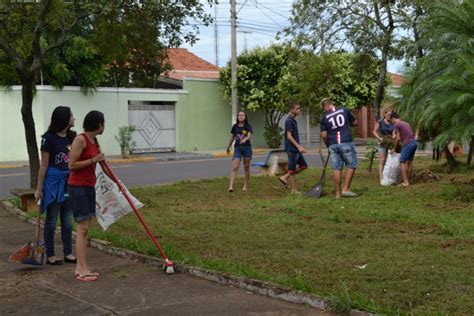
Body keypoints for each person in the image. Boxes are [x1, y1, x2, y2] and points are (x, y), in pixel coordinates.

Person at [34, 106, 77, 266]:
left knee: (67, 220)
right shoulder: (48, 138)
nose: (74, 118)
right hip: (53, 183)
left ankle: (68, 252)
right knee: (51, 220)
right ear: (64, 119)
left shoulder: (73, 137)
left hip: (69, 182)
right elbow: (44, 165)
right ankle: (50, 254)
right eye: (72, 116)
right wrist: (39, 189)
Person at [68, 111, 106, 282]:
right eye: (103, 123)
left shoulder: (94, 141)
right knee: (82, 229)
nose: (104, 127)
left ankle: (82, 267)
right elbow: (72, 165)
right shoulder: (80, 139)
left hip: (89, 186)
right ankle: (81, 269)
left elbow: (101, 163)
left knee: (85, 229)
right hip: (78, 187)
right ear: (98, 124)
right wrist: (93, 160)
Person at [320, 98, 358, 198]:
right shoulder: (344, 110)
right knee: (351, 165)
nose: (324, 111)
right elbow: (355, 123)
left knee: (337, 168)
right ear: (332, 104)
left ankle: (337, 193)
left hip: (333, 144)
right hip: (346, 141)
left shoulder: (324, 118)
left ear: (326, 106)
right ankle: (345, 189)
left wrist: (328, 146)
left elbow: (324, 135)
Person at [279, 101, 307, 194]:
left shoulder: (293, 120)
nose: (299, 110)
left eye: (299, 108)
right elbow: (289, 136)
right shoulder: (289, 121)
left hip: (295, 149)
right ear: (291, 110)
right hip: (291, 149)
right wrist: (298, 146)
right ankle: (293, 190)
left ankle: (285, 177)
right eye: (297, 109)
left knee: (303, 166)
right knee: (292, 169)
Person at [226, 111, 253, 192]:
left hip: (247, 148)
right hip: (237, 148)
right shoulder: (235, 127)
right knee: (235, 167)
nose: (241, 116)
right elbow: (232, 137)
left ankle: (245, 186)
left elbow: (249, 135)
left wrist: (245, 139)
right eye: (239, 115)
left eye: (242, 115)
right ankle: (231, 187)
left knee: (246, 167)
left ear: (245, 117)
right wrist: (228, 147)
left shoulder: (248, 126)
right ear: (237, 117)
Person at [389, 112, 417, 187]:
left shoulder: (396, 124)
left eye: (391, 121)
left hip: (408, 144)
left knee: (402, 161)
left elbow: (397, 138)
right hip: (414, 142)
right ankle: (408, 179)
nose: (392, 123)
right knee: (409, 162)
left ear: (393, 118)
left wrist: (394, 149)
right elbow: (405, 135)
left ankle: (405, 182)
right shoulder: (406, 123)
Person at [372, 106, 394, 181]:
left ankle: (387, 175)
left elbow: (394, 133)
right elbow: (374, 131)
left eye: (391, 115)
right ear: (384, 114)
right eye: (388, 115)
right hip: (382, 142)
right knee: (382, 160)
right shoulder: (380, 122)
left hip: (390, 143)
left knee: (389, 160)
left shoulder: (393, 123)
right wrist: (379, 138)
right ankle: (381, 177)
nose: (389, 116)